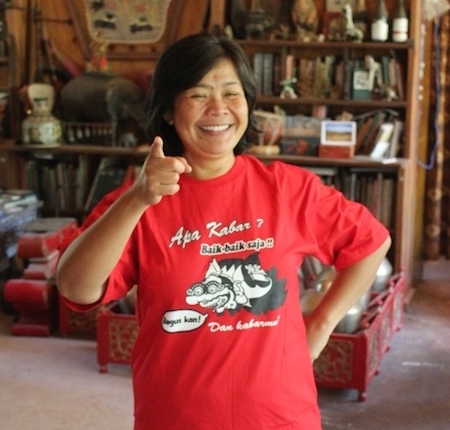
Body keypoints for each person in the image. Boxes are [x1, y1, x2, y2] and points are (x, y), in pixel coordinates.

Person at [57, 32, 391, 430]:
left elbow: (372, 242)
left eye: (232, 93)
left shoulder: (287, 188)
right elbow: (75, 288)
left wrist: (320, 326)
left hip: (281, 417)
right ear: (169, 110)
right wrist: (137, 200)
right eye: (198, 95)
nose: (218, 109)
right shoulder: (136, 203)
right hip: (176, 418)